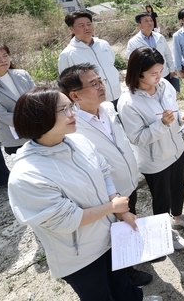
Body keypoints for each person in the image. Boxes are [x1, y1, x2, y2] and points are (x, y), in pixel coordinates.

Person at [8, 87, 143, 301]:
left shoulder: (79, 141)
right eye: (63, 110)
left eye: (71, 107)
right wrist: (112, 207)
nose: (73, 114)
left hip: (110, 236)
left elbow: (104, 172)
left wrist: (117, 207)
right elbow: (68, 220)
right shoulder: (27, 175)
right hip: (81, 256)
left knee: (123, 286)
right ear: (38, 117)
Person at [58, 64, 152, 287]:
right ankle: (127, 275)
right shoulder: (73, 129)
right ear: (74, 95)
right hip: (107, 195)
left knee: (128, 224)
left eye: (100, 81)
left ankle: (131, 260)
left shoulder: (108, 108)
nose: (101, 86)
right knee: (114, 235)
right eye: (93, 84)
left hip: (128, 183)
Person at [118, 47, 184, 251]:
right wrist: (162, 124)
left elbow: (174, 110)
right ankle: (165, 232)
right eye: (153, 73)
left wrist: (181, 117)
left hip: (177, 149)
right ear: (138, 73)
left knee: (178, 188)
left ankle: (178, 218)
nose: (159, 76)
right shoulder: (129, 102)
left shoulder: (164, 85)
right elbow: (137, 138)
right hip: (155, 160)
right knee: (162, 198)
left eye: (161, 71)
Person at [58, 11, 122, 107]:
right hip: (95, 103)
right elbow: (66, 84)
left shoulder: (103, 44)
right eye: (81, 25)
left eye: (89, 24)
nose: (87, 28)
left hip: (117, 94)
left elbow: (111, 64)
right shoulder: (68, 54)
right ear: (71, 29)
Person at [0, 42, 36, 155]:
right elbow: (2, 114)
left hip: (40, 131)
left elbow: (38, 100)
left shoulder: (22, 74)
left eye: (5, 55)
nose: (3, 60)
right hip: (16, 138)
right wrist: (32, 124)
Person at [127, 12, 180, 93]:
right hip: (147, 79)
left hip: (163, 74)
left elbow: (167, 54)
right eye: (146, 21)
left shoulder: (160, 37)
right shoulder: (133, 42)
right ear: (139, 25)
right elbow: (133, 63)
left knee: (166, 96)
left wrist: (172, 70)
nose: (150, 23)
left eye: (151, 20)